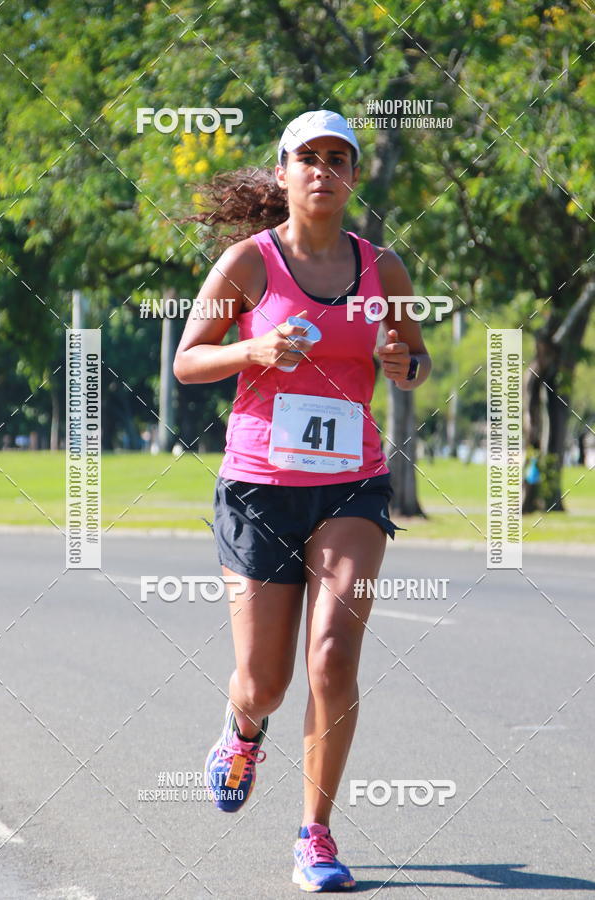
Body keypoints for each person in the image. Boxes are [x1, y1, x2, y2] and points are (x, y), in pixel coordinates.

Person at [174, 109, 431, 893]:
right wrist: (252, 348)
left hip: (352, 480)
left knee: (333, 656)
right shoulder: (248, 264)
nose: (323, 169)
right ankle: (243, 727)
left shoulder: (383, 268)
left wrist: (405, 363)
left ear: (353, 176)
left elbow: (415, 360)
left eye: (337, 158)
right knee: (266, 681)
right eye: (307, 157)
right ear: (283, 173)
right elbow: (187, 361)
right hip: (260, 485)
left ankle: (314, 834)